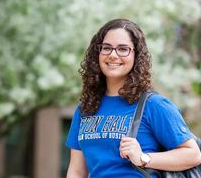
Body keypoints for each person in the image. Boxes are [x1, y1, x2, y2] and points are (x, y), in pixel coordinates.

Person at [65, 19, 201, 178]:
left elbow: (193, 155)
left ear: (136, 55)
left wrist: (143, 157)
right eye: (106, 48)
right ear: (97, 54)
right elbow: (76, 171)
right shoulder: (85, 109)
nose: (113, 55)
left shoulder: (154, 105)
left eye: (123, 49)